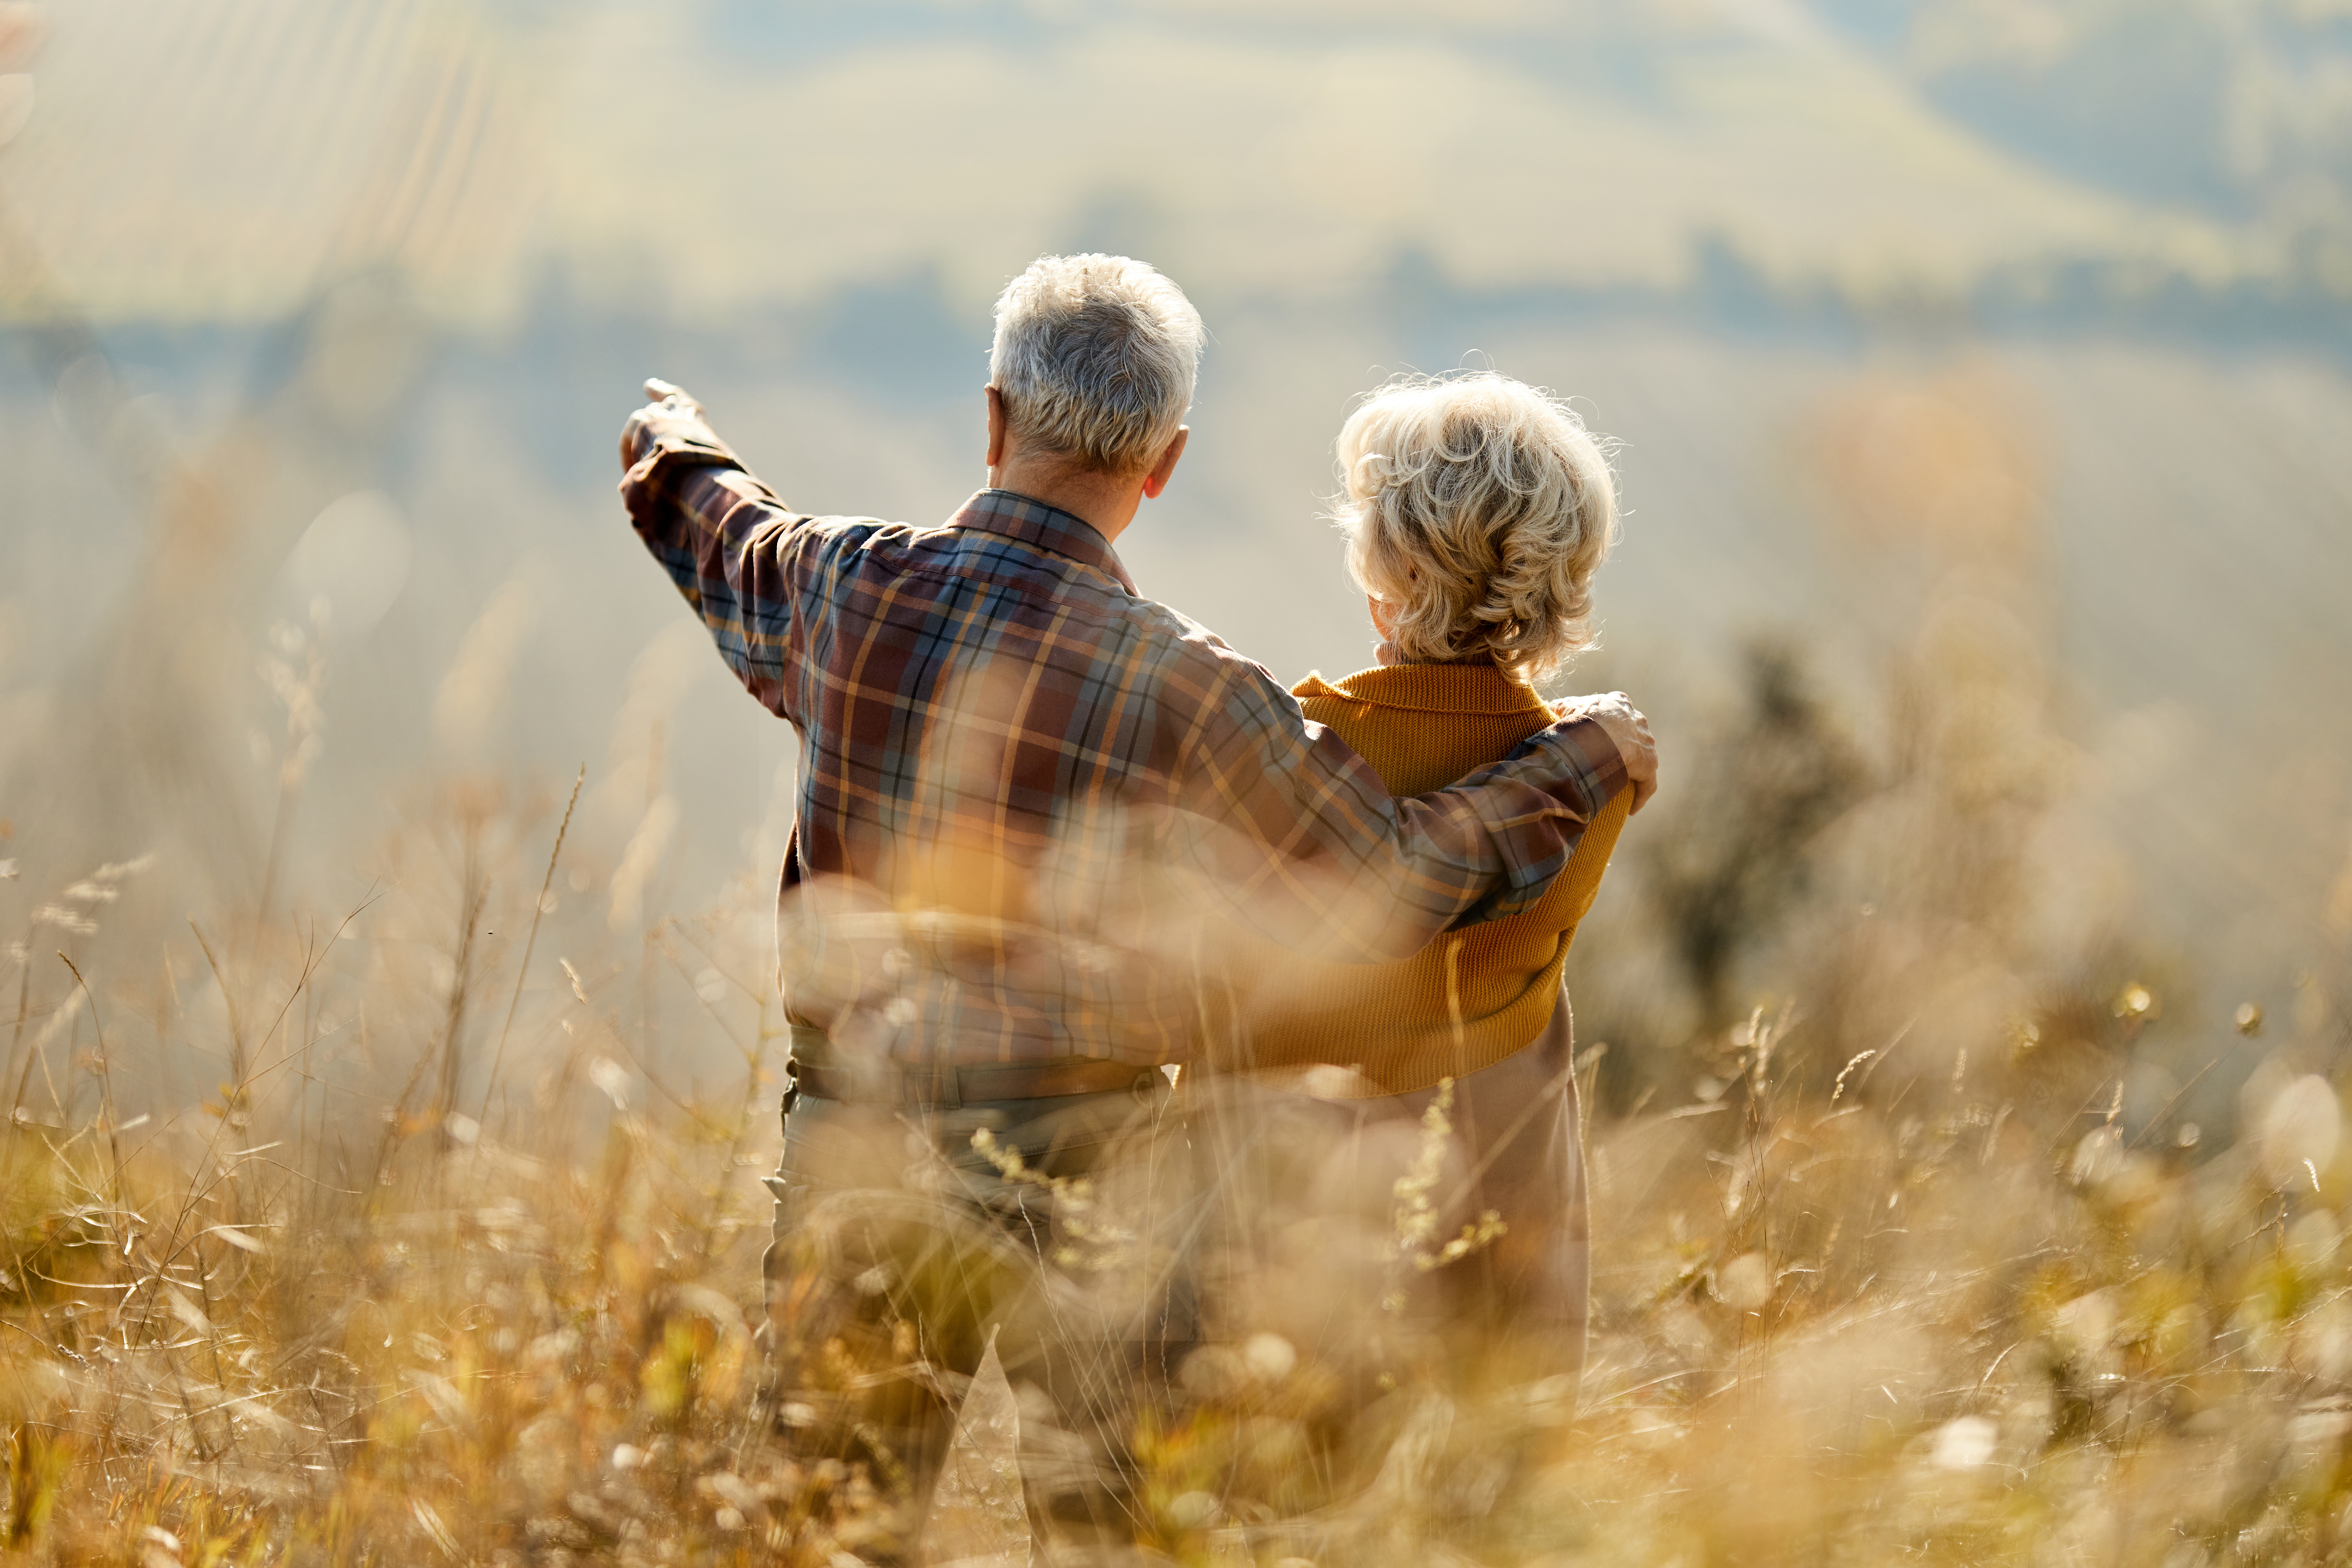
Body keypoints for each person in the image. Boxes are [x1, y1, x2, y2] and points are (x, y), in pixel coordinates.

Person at [615, 255, 1657, 1542]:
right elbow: (1394, 877)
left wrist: (670, 443)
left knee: (828, 1523)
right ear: (1163, 463)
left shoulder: (843, 589)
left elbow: (717, 527)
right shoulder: (1192, 686)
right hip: (1092, 1173)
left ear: (993, 418)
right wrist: (1581, 759)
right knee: (1118, 1531)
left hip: (858, 1137)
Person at [1201, 371, 1631, 1404]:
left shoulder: (1291, 748)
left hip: (1296, 1229)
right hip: (1509, 1216)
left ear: (1382, 569)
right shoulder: (1603, 767)